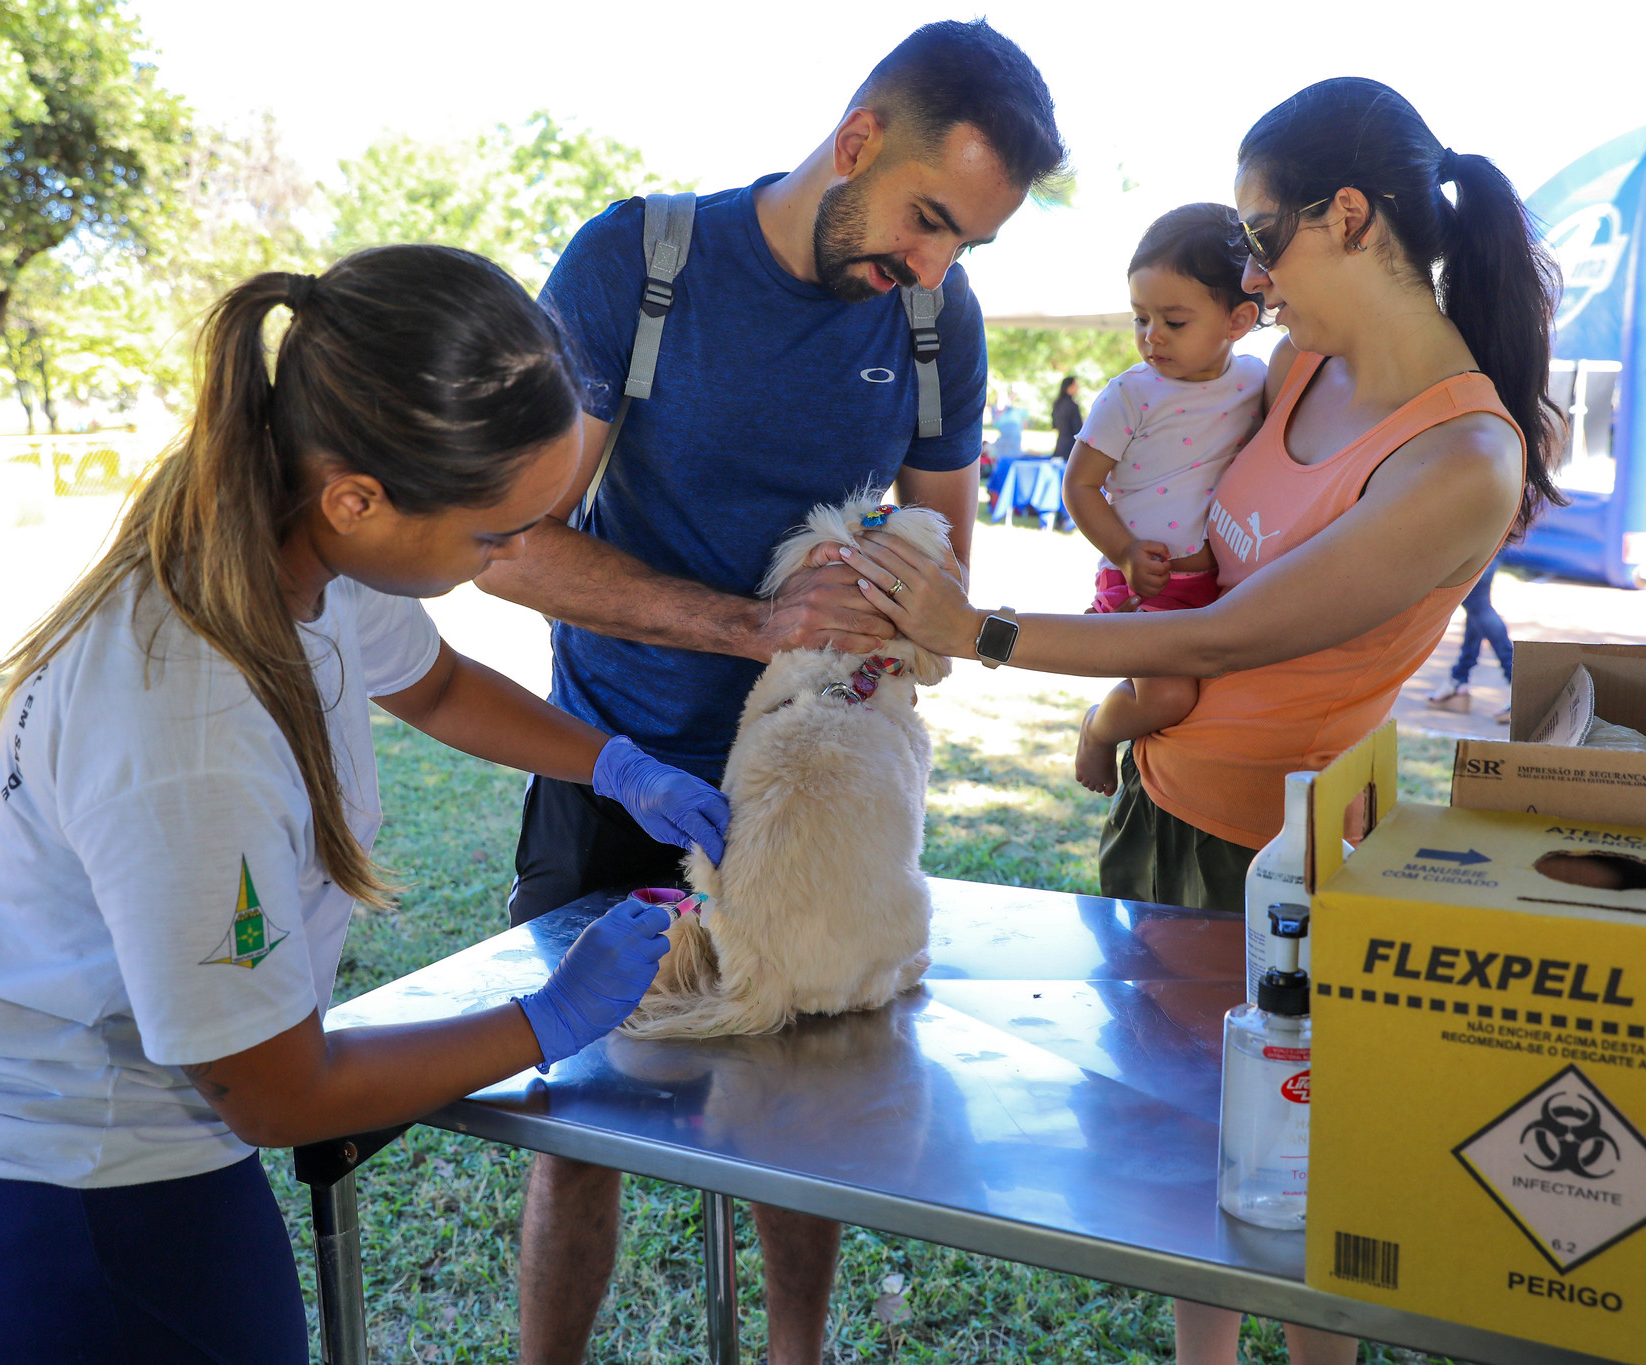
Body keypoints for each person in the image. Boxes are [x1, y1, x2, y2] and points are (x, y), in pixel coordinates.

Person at [0, 246, 732, 1364]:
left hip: (137, 1161)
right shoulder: (187, 730)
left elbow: (440, 684)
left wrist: (617, 765)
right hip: (48, 1204)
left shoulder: (298, 552)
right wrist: (545, 1020)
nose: (512, 557)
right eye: (494, 534)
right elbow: (277, 1094)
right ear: (358, 497)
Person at [833, 76, 1563, 1365]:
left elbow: (1233, 632)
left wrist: (985, 632)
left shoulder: (1459, 460)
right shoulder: (1295, 367)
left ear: (1348, 217)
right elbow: (1183, 527)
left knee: (1290, 1180)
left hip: (1276, 856)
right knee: (1181, 1165)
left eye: (1261, 238)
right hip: (1162, 812)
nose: (1255, 279)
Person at [472, 19, 1065, 1365]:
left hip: (813, 796)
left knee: (801, 1116)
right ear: (856, 141)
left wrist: (917, 623)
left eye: (965, 243)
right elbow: (508, 550)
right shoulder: (641, 264)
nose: (932, 268)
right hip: (622, 764)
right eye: (926, 220)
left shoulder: (933, 320)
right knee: (581, 1119)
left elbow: (947, 568)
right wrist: (752, 622)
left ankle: (796, 1351)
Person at [1064, 204, 1266, 794]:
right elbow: (1079, 484)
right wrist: (1125, 552)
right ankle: (1099, 731)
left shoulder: (1258, 380)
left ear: (1239, 319)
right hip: (1141, 581)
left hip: (1212, 591)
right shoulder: (1130, 394)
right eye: (1140, 317)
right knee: (1172, 696)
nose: (1151, 337)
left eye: (1173, 322)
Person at [1427, 555, 1515, 724]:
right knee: (1476, 605)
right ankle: (1459, 679)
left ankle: (1519, 685)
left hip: (1475, 537)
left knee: (1478, 604)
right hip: (1489, 539)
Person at [1050, 374, 1083, 460]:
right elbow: (1078, 429)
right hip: (1071, 449)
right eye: (1076, 385)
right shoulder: (1072, 406)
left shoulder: (1057, 404)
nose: (1078, 387)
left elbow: (1054, 425)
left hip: (1059, 447)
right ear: (1069, 387)